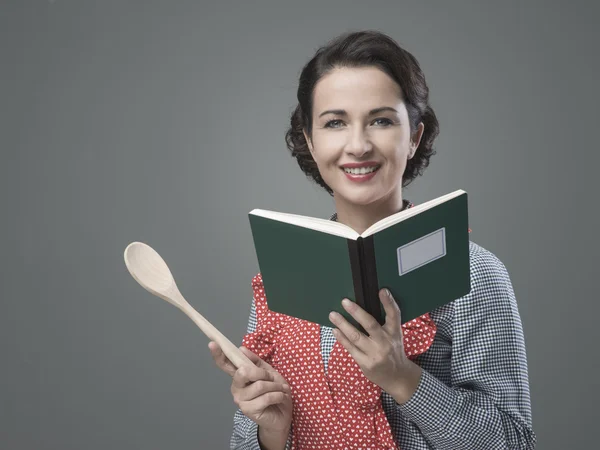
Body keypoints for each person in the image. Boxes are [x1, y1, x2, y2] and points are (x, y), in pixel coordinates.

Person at [209, 30, 537, 450]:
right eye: (334, 123)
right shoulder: (282, 275)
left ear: (414, 137)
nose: (358, 145)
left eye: (381, 120)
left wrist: (404, 379)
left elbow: (516, 443)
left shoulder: (473, 273)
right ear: (310, 140)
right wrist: (272, 429)